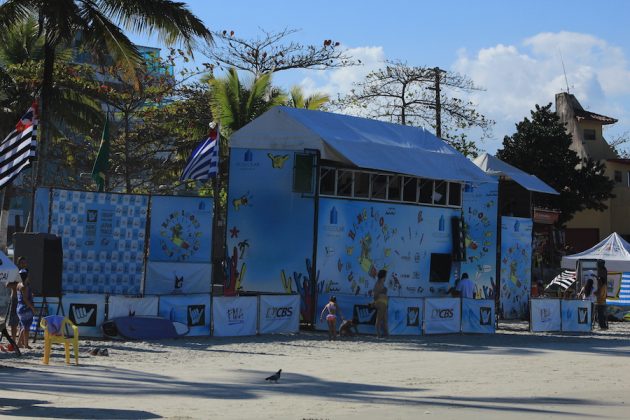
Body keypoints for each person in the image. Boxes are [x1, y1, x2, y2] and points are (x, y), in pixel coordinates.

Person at [16, 268, 35, 349]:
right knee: (26, 328)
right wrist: (32, 308)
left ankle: (19, 343)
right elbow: (25, 299)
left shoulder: (18, 284)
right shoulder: (24, 286)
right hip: (25, 308)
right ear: (26, 276)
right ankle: (26, 344)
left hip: (19, 308)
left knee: (23, 327)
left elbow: (22, 297)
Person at [372, 269, 389, 338]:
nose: (386, 277)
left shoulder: (381, 283)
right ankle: (378, 334)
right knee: (379, 320)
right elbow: (375, 295)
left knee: (384, 320)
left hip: (384, 303)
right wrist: (382, 291)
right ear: (383, 276)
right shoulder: (378, 283)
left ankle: (386, 334)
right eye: (386, 275)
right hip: (381, 303)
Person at [595, 260, 608, 330]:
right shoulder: (604, 270)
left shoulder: (602, 270)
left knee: (600, 314)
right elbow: (601, 280)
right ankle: (603, 325)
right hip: (602, 301)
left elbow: (600, 280)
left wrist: (595, 293)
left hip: (600, 301)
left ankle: (603, 326)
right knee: (601, 313)